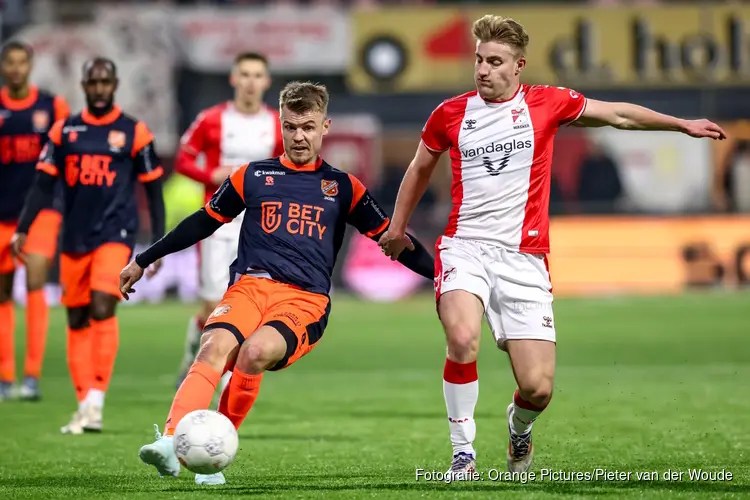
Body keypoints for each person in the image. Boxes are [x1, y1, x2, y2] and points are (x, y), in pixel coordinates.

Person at [377, 14, 726, 478]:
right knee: (462, 339)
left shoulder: (549, 103)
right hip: (465, 247)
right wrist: (398, 228)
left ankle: (518, 427)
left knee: (538, 388)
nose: (482, 69)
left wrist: (681, 124)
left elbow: (618, 115)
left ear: (518, 66)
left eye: (494, 61)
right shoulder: (449, 113)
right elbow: (420, 168)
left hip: (525, 259)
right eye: (478, 60)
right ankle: (463, 455)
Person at [119, 81, 434, 486]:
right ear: (281, 127)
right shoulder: (252, 175)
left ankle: (215, 455)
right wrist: (145, 258)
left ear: (325, 127)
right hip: (250, 286)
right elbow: (203, 221)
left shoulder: (343, 187)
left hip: (304, 301)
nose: (299, 136)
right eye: (291, 127)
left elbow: (394, 242)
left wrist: (442, 274)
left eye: (308, 126)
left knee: (254, 352)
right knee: (213, 348)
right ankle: (168, 442)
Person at [11, 57, 166, 434]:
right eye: (93, 83)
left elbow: (153, 189)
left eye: (105, 82)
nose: (99, 89)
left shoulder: (135, 132)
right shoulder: (64, 131)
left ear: (115, 85)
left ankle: (96, 397)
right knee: (77, 318)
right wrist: (23, 228)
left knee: (102, 303)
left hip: (116, 234)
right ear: (84, 86)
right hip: (74, 237)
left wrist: (157, 245)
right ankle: (85, 405)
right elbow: (43, 185)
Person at [174, 52, 283, 392]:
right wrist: (210, 174)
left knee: (246, 304)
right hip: (219, 224)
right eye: (245, 74)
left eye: (257, 75)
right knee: (212, 306)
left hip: (259, 227)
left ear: (266, 82)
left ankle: (223, 375)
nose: (251, 82)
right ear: (233, 79)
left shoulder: (276, 125)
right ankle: (195, 346)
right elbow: (182, 159)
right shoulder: (212, 119)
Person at [0, 41, 70, 401]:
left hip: (42, 210)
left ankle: (31, 375)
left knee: (36, 278)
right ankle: (5, 375)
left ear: (29, 66)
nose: (15, 69)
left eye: (20, 63)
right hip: (2, 214)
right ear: (3, 67)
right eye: (9, 63)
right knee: (3, 291)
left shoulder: (52, 106)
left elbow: (69, 152)